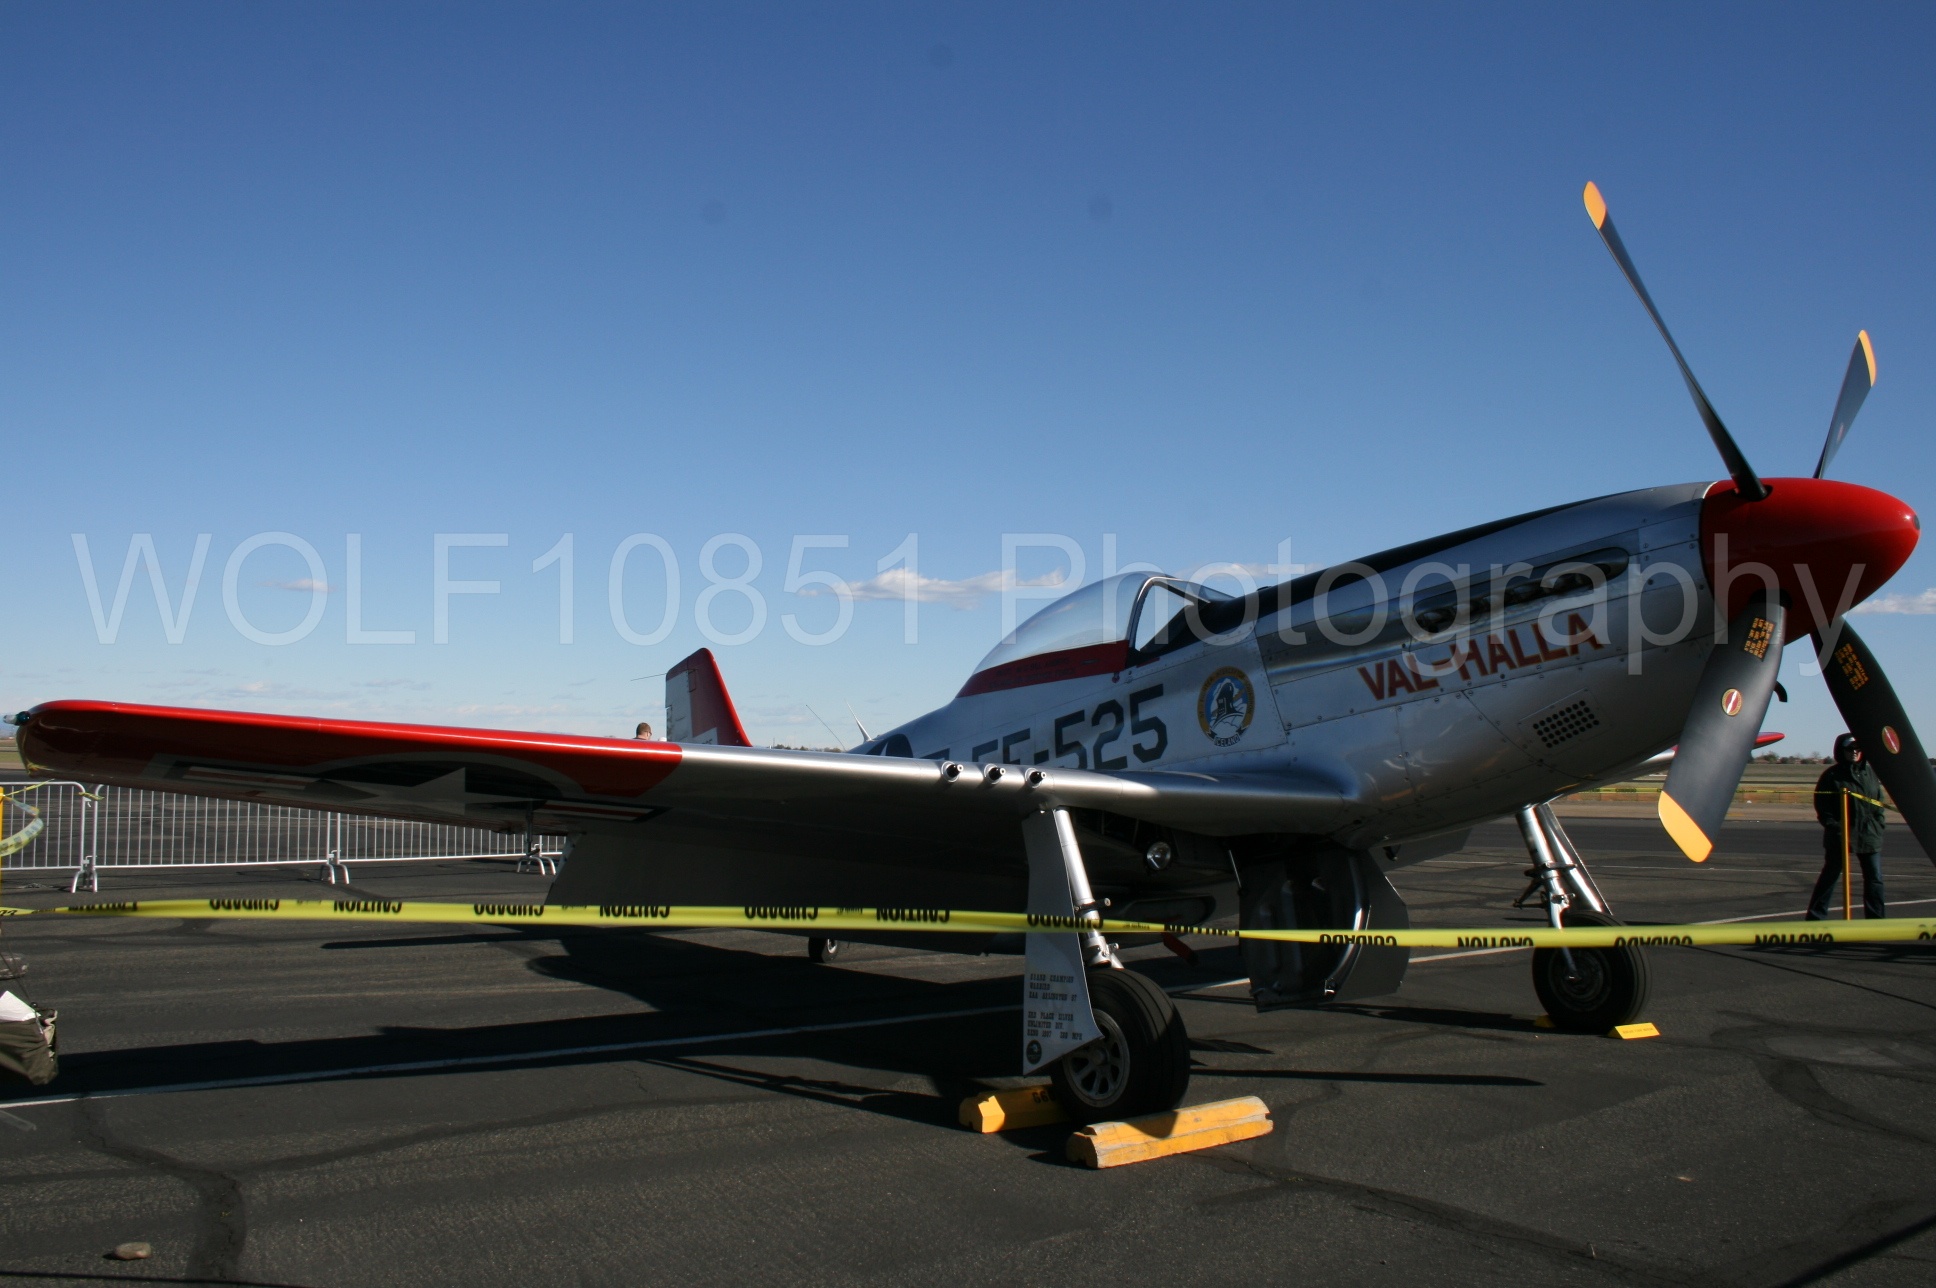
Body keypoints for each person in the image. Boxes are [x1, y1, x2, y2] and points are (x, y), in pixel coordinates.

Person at [1807, 733, 1888, 920]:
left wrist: (1878, 823)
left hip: (1869, 833)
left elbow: (1878, 802)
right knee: (1830, 876)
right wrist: (1834, 827)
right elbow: (1822, 806)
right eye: (1850, 749)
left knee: (1875, 878)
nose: (1854, 752)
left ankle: (1876, 920)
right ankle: (1815, 918)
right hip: (1841, 834)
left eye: (1858, 748)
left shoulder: (1870, 774)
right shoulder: (1831, 776)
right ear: (1841, 751)